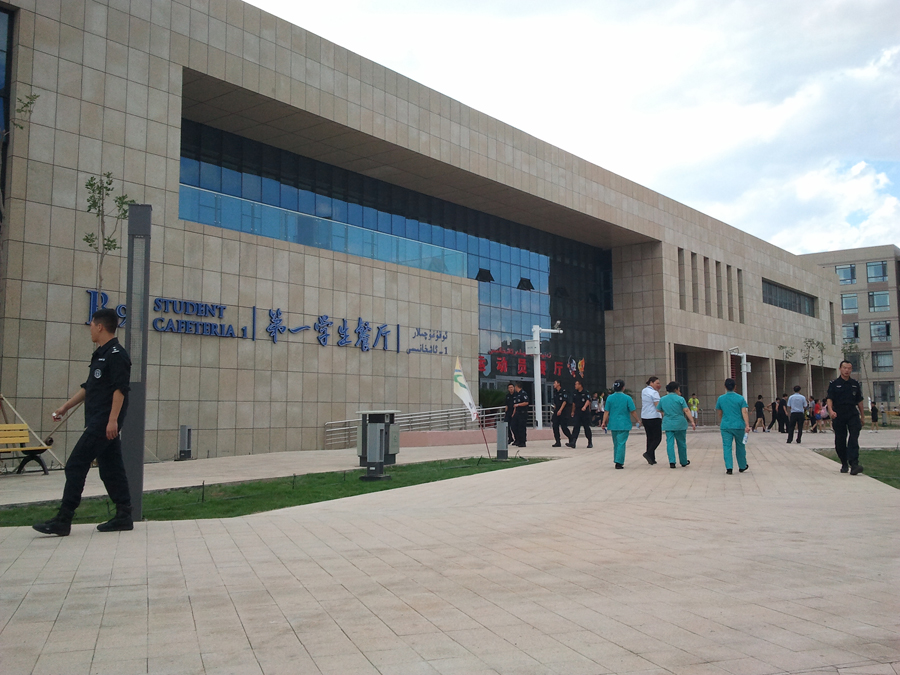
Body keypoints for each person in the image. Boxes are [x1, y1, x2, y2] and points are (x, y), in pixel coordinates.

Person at [33, 309, 134, 536]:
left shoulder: (117, 354)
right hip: (99, 420)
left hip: (104, 422)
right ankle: (124, 515)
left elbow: (120, 390)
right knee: (111, 468)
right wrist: (65, 407)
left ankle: (64, 519)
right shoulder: (100, 354)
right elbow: (89, 387)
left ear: (100, 326)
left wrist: (112, 421)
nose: (90, 329)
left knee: (75, 464)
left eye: (91, 325)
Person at [826, 361, 865, 475]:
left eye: (849, 368)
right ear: (840, 369)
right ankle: (844, 463)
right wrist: (831, 411)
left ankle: (854, 464)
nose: (847, 370)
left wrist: (862, 416)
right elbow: (829, 398)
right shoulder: (834, 384)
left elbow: (859, 401)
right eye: (844, 368)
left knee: (854, 438)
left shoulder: (855, 384)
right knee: (840, 440)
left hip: (852, 413)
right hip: (839, 414)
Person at [715, 378, 751, 474]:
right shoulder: (740, 398)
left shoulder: (721, 398)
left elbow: (719, 413)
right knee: (740, 446)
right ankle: (742, 466)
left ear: (725, 387)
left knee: (727, 447)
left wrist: (723, 420)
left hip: (726, 426)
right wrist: (747, 425)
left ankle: (729, 467)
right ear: (735, 387)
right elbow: (744, 412)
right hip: (739, 426)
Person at [601, 379, 638, 468]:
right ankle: (619, 462)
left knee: (616, 443)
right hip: (624, 423)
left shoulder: (610, 398)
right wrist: (637, 420)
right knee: (621, 443)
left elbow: (606, 411)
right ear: (623, 388)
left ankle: (616, 459)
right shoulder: (627, 398)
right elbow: (632, 411)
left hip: (613, 423)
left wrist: (603, 422)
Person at [658, 381, 696, 468]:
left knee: (669, 443)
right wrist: (692, 421)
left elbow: (658, 409)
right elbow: (686, 410)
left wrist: (666, 413)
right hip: (680, 423)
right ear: (676, 389)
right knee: (681, 443)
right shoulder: (680, 399)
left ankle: (672, 461)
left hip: (668, 423)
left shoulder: (663, 399)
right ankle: (683, 461)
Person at [640, 377, 663, 464]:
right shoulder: (654, 393)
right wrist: (664, 413)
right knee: (657, 438)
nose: (658, 385)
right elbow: (658, 406)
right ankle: (648, 453)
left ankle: (651, 458)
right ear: (651, 383)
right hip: (654, 417)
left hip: (645, 417)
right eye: (657, 383)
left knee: (650, 437)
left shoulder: (644, 391)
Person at [567, 380, 593, 448]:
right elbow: (574, 403)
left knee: (586, 427)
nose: (575, 385)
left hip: (584, 412)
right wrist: (572, 411)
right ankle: (573, 442)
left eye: (576, 384)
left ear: (580, 385)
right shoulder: (575, 393)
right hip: (578, 411)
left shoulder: (585, 392)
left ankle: (590, 442)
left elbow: (588, 400)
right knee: (576, 426)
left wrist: (584, 407)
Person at [550, 379, 572, 447]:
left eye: (555, 383)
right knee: (555, 426)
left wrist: (560, 410)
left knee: (564, 427)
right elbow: (555, 401)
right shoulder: (555, 392)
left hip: (563, 411)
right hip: (556, 411)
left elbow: (564, 401)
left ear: (558, 384)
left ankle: (571, 438)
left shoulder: (563, 392)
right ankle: (557, 441)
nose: (554, 384)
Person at [512, 382, 529, 447]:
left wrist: (518, 405)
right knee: (514, 426)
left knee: (521, 428)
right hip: (517, 413)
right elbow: (515, 405)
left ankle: (522, 442)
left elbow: (526, 402)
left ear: (517, 386)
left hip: (522, 413)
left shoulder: (523, 393)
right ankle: (518, 440)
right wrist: (513, 413)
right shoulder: (517, 394)